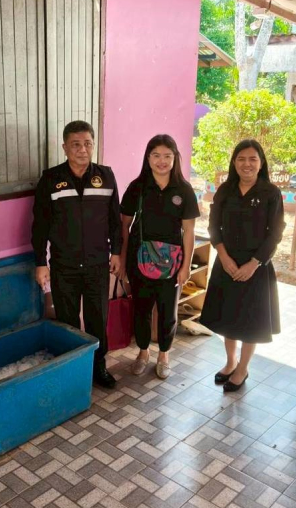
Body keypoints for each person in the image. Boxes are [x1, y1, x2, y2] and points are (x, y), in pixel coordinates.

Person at [31, 121, 122, 388]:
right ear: (65, 147)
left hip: (97, 264)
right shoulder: (51, 179)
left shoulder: (106, 176)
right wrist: (41, 262)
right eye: (76, 144)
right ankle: (71, 369)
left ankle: (98, 366)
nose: (82, 149)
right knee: (67, 321)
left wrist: (116, 252)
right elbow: (40, 225)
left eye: (87, 144)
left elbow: (115, 221)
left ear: (93, 145)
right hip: (64, 265)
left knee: (97, 318)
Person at [199, 139, 285, 392]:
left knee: (250, 321)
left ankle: (243, 368)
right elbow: (214, 226)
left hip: (256, 266)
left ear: (261, 163)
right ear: (234, 162)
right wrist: (224, 257)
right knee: (228, 317)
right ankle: (230, 362)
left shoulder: (270, 193)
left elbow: (275, 234)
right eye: (241, 159)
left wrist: (254, 264)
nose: (247, 164)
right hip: (227, 262)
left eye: (252, 159)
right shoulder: (225, 190)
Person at [119, 134, 200, 379]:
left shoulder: (184, 190)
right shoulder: (137, 187)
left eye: (167, 155)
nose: (161, 161)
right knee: (141, 309)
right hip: (139, 260)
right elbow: (124, 225)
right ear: (148, 158)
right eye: (156, 155)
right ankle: (143, 352)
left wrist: (186, 266)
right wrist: (123, 260)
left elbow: (189, 231)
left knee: (167, 312)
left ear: (175, 158)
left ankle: (164, 355)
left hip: (172, 263)